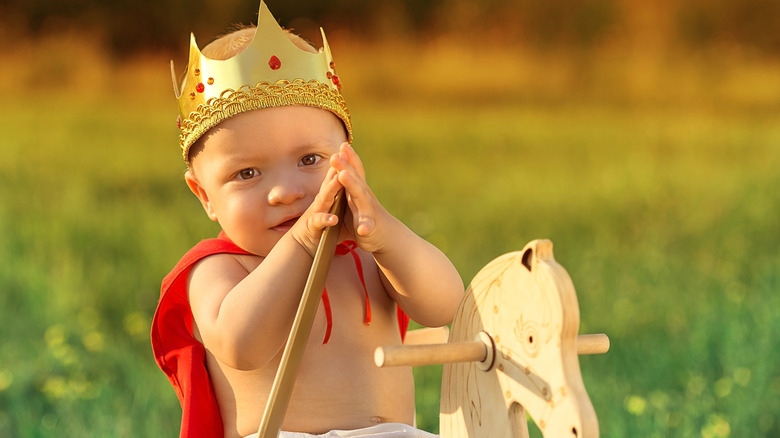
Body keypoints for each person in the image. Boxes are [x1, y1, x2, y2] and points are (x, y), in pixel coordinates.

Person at [151, 2, 465, 438]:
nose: (286, 191)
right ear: (205, 196)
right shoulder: (219, 269)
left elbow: (445, 305)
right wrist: (299, 245)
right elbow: (241, 345)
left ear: (349, 160)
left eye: (309, 159)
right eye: (247, 174)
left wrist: (386, 233)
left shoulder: (368, 251)